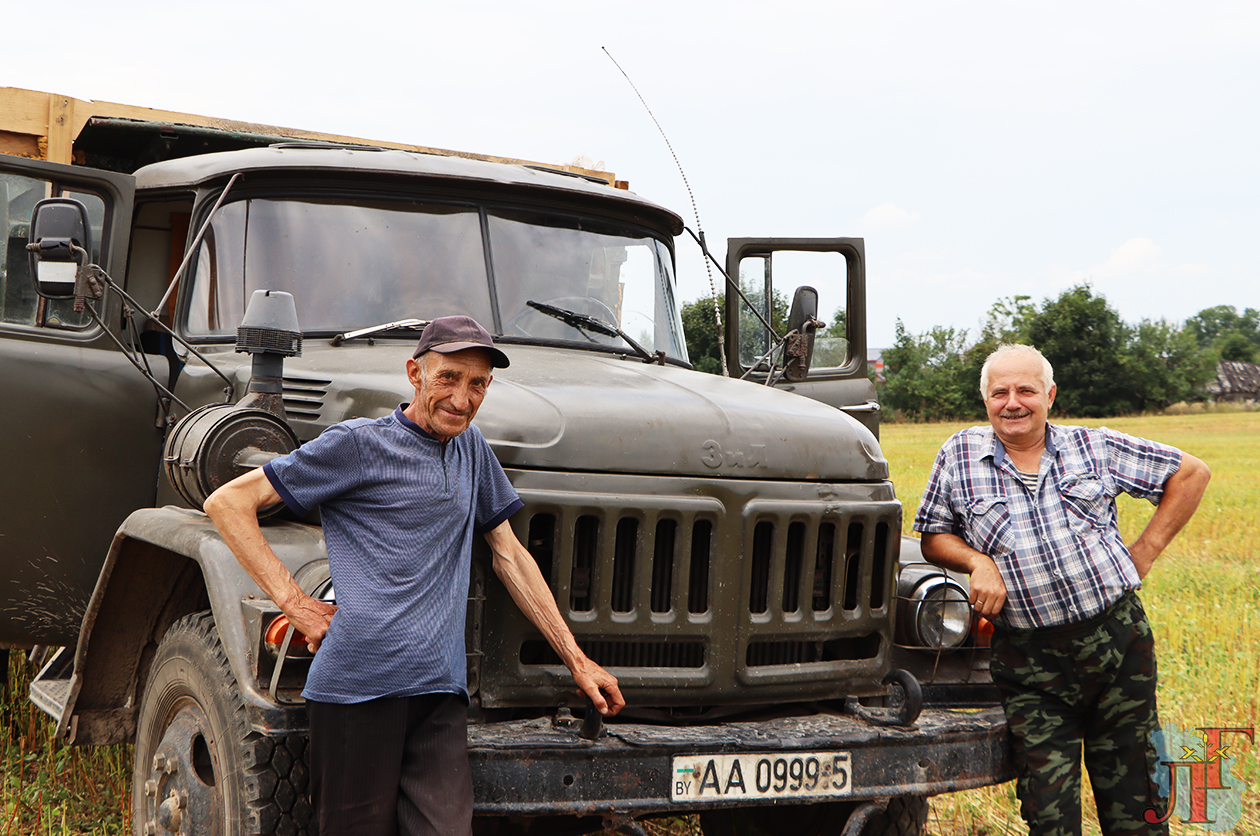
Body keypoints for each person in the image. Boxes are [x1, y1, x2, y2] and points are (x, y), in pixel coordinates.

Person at [204, 314, 624, 836]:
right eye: (448, 378)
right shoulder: (358, 444)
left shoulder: (473, 450)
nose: (463, 399)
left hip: (439, 694)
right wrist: (297, 604)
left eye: (478, 385)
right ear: (415, 373)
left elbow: (510, 555)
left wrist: (578, 662)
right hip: (359, 692)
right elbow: (228, 503)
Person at [912, 343, 1210, 836]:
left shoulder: (1093, 446)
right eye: (999, 392)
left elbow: (1191, 473)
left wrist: (1146, 551)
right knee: (1049, 817)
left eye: (1025, 390)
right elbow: (933, 535)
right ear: (985, 400)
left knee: (1137, 806)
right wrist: (976, 560)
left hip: (1117, 647)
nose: (1013, 402)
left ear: (1049, 395)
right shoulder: (960, 454)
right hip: (1031, 667)